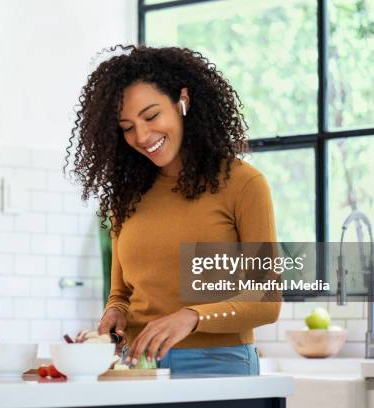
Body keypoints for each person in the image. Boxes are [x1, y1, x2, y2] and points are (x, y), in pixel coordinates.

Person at [65, 45, 281, 375]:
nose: (142, 135)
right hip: (138, 367)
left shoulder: (243, 184)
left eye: (151, 116)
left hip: (218, 366)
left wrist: (193, 317)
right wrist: (115, 314)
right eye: (127, 127)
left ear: (183, 100)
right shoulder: (126, 197)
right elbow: (121, 293)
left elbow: (267, 300)